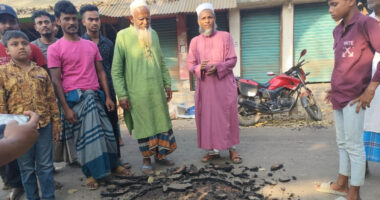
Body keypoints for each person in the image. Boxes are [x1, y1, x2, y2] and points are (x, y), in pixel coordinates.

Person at [48, 0, 132, 190]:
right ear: (58, 22)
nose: (71, 22)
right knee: (86, 139)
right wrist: (66, 109)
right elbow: (56, 81)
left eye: (73, 18)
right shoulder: (55, 49)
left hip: (97, 96)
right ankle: (91, 174)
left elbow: (101, 72)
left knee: (108, 134)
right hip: (76, 100)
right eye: (66, 19)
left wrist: (109, 97)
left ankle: (112, 166)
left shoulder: (90, 46)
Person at [316, 0, 380, 200]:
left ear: (351, 1)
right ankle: (341, 184)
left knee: (354, 145)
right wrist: (334, 88)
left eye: (334, 4)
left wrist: (371, 87)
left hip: (355, 97)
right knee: (342, 142)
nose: (330, 10)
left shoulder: (366, 24)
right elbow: (343, 63)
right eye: (329, 5)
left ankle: (354, 194)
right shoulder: (338, 31)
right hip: (339, 95)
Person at [111, 0, 177, 175]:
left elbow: (161, 61)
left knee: (161, 123)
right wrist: (122, 95)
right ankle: (146, 159)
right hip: (136, 93)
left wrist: (167, 83)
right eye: (141, 19)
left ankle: (161, 155)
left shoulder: (153, 34)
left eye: (148, 18)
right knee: (143, 126)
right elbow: (116, 70)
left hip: (156, 90)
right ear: (131, 18)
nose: (145, 22)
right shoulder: (122, 36)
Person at [0, 30, 60, 200]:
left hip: (44, 126)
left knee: (46, 166)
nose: (21, 47)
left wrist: (56, 124)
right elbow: (1, 105)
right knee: (26, 168)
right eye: (15, 44)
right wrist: (5, 132)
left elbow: (51, 99)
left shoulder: (40, 71)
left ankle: (49, 197)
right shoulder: (2, 73)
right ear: (7, 50)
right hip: (18, 130)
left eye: (24, 43)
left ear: (30, 47)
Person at [0, 4, 46, 200]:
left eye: (11, 21)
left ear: (18, 23)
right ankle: (16, 184)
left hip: (35, 113)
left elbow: (45, 78)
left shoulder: (32, 47)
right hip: (6, 111)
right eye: (3, 22)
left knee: (36, 151)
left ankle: (43, 180)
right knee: (11, 154)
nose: (8, 25)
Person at [187, 2, 241, 164]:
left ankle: (232, 149)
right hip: (206, 88)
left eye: (210, 17)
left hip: (224, 86)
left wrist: (217, 67)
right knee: (208, 118)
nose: (207, 21)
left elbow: (232, 60)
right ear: (198, 21)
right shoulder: (195, 42)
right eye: (203, 18)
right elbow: (190, 65)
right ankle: (212, 151)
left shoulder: (225, 36)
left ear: (214, 19)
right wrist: (199, 68)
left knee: (228, 116)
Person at [80, 4, 127, 168]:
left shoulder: (108, 43)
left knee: (113, 125)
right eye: (90, 19)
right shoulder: (80, 44)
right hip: (89, 92)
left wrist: (117, 93)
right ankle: (100, 165)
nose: (94, 22)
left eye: (97, 19)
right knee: (94, 129)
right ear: (84, 22)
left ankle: (117, 161)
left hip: (109, 91)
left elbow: (114, 68)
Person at [364, 0, 380, 173]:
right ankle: (362, 164)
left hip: (375, 82)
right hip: (367, 82)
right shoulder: (365, 22)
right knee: (365, 122)